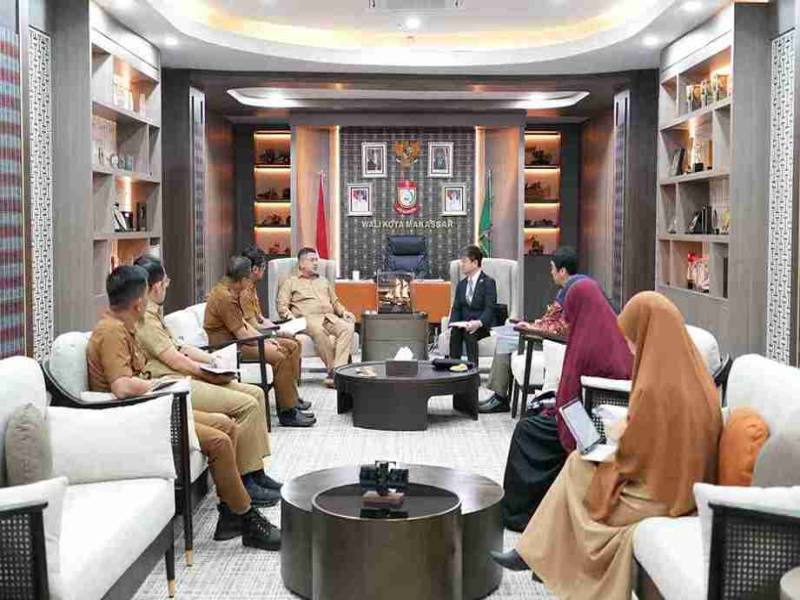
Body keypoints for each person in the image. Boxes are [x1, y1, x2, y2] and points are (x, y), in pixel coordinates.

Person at [491, 292, 722, 600]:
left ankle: (541, 557)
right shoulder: (690, 374)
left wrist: (619, 438)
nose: (629, 345)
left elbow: (638, 455)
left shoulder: (657, 387)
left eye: (632, 337)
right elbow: (659, 442)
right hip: (668, 480)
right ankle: (534, 553)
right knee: (577, 463)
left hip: (660, 495)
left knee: (583, 482)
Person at [86, 265, 280, 551]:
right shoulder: (112, 332)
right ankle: (245, 516)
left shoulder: (122, 326)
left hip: (153, 406)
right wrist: (160, 385)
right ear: (139, 303)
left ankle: (230, 514)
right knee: (218, 439)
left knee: (226, 424)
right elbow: (122, 386)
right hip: (138, 417)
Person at [133, 254, 281, 506]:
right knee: (247, 405)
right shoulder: (145, 319)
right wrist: (208, 373)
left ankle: (256, 472)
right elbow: (175, 361)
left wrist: (212, 361)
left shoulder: (154, 314)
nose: (167, 285)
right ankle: (245, 481)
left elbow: (180, 347)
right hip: (174, 382)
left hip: (185, 374)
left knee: (256, 393)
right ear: (155, 286)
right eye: (166, 282)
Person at [499, 277, 632, 531]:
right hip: (601, 418)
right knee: (535, 416)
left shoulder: (588, 340)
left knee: (526, 430)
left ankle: (520, 514)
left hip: (588, 426)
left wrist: (555, 406)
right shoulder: (610, 330)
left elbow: (570, 394)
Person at [204, 256, 315, 427]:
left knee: (289, 346)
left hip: (238, 342)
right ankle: (287, 413)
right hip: (229, 348)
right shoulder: (224, 298)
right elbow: (242, 334)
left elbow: (244, 325)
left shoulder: (229, 291)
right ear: (242, 280)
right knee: (280, 356)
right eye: (248, 278)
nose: (250, 282)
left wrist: (268, 339)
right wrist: (265, 342)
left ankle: (291, 401)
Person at [481, 245, 585, 414]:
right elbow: (553, 321)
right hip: (551, 337)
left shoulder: (570, 291)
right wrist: (533, 324)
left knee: (505, 339)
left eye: (552, 268)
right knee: (508, 331)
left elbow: (556, 328)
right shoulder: (573, 287)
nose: (551, 272)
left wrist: (531, 327)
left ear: (562, 271)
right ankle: (499, 396)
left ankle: (500, 398)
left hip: (554, 342)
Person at [239, 245, 312, 413]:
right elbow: (252, 327)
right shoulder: (243, 292)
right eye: (263, 267)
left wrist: (275, 326)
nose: (264, 271)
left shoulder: (251, 287)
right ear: (255, 269)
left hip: (255, 335)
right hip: (247, 341)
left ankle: (291, 395)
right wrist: (274, 334)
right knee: (286, 349)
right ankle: (288, 406)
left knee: (294, 343)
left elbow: (259, 318)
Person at [276, 247, 356, 388]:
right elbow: (282, 305)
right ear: (302, 264)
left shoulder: (324, 281)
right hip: (307, 319)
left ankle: (337, 373)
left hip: (329, 317)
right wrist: (290, 317)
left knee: (347, 328)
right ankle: (333, 371)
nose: (316, 263)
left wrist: (343, 312)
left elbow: (335, 302)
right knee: (319, 331)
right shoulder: (291, 282)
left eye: (316, 260)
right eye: (312, 260)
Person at [446, 245, 497, 367]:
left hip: (481, 326)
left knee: (470, 334)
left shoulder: (488, 282)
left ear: (475, 263)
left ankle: (472, 371)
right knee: (455, 333)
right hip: (464, 325)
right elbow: (456, 308)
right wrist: (451, 325)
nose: (461, 265)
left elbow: (490, 308)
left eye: (464, 261)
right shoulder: (462, 284)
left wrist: (478, 323)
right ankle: (454, 368)